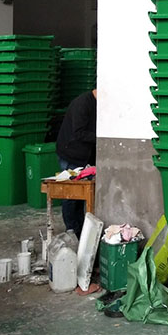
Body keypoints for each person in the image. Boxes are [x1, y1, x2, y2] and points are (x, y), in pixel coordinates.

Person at [56, 89, 97, 238]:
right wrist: (101, 137)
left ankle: (79, 232)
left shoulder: (95, 103)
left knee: (79, 197)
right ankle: (71, 231)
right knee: (70, 196)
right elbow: (78, 133)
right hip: (71, 154)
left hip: (82, 156)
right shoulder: (82, 104)